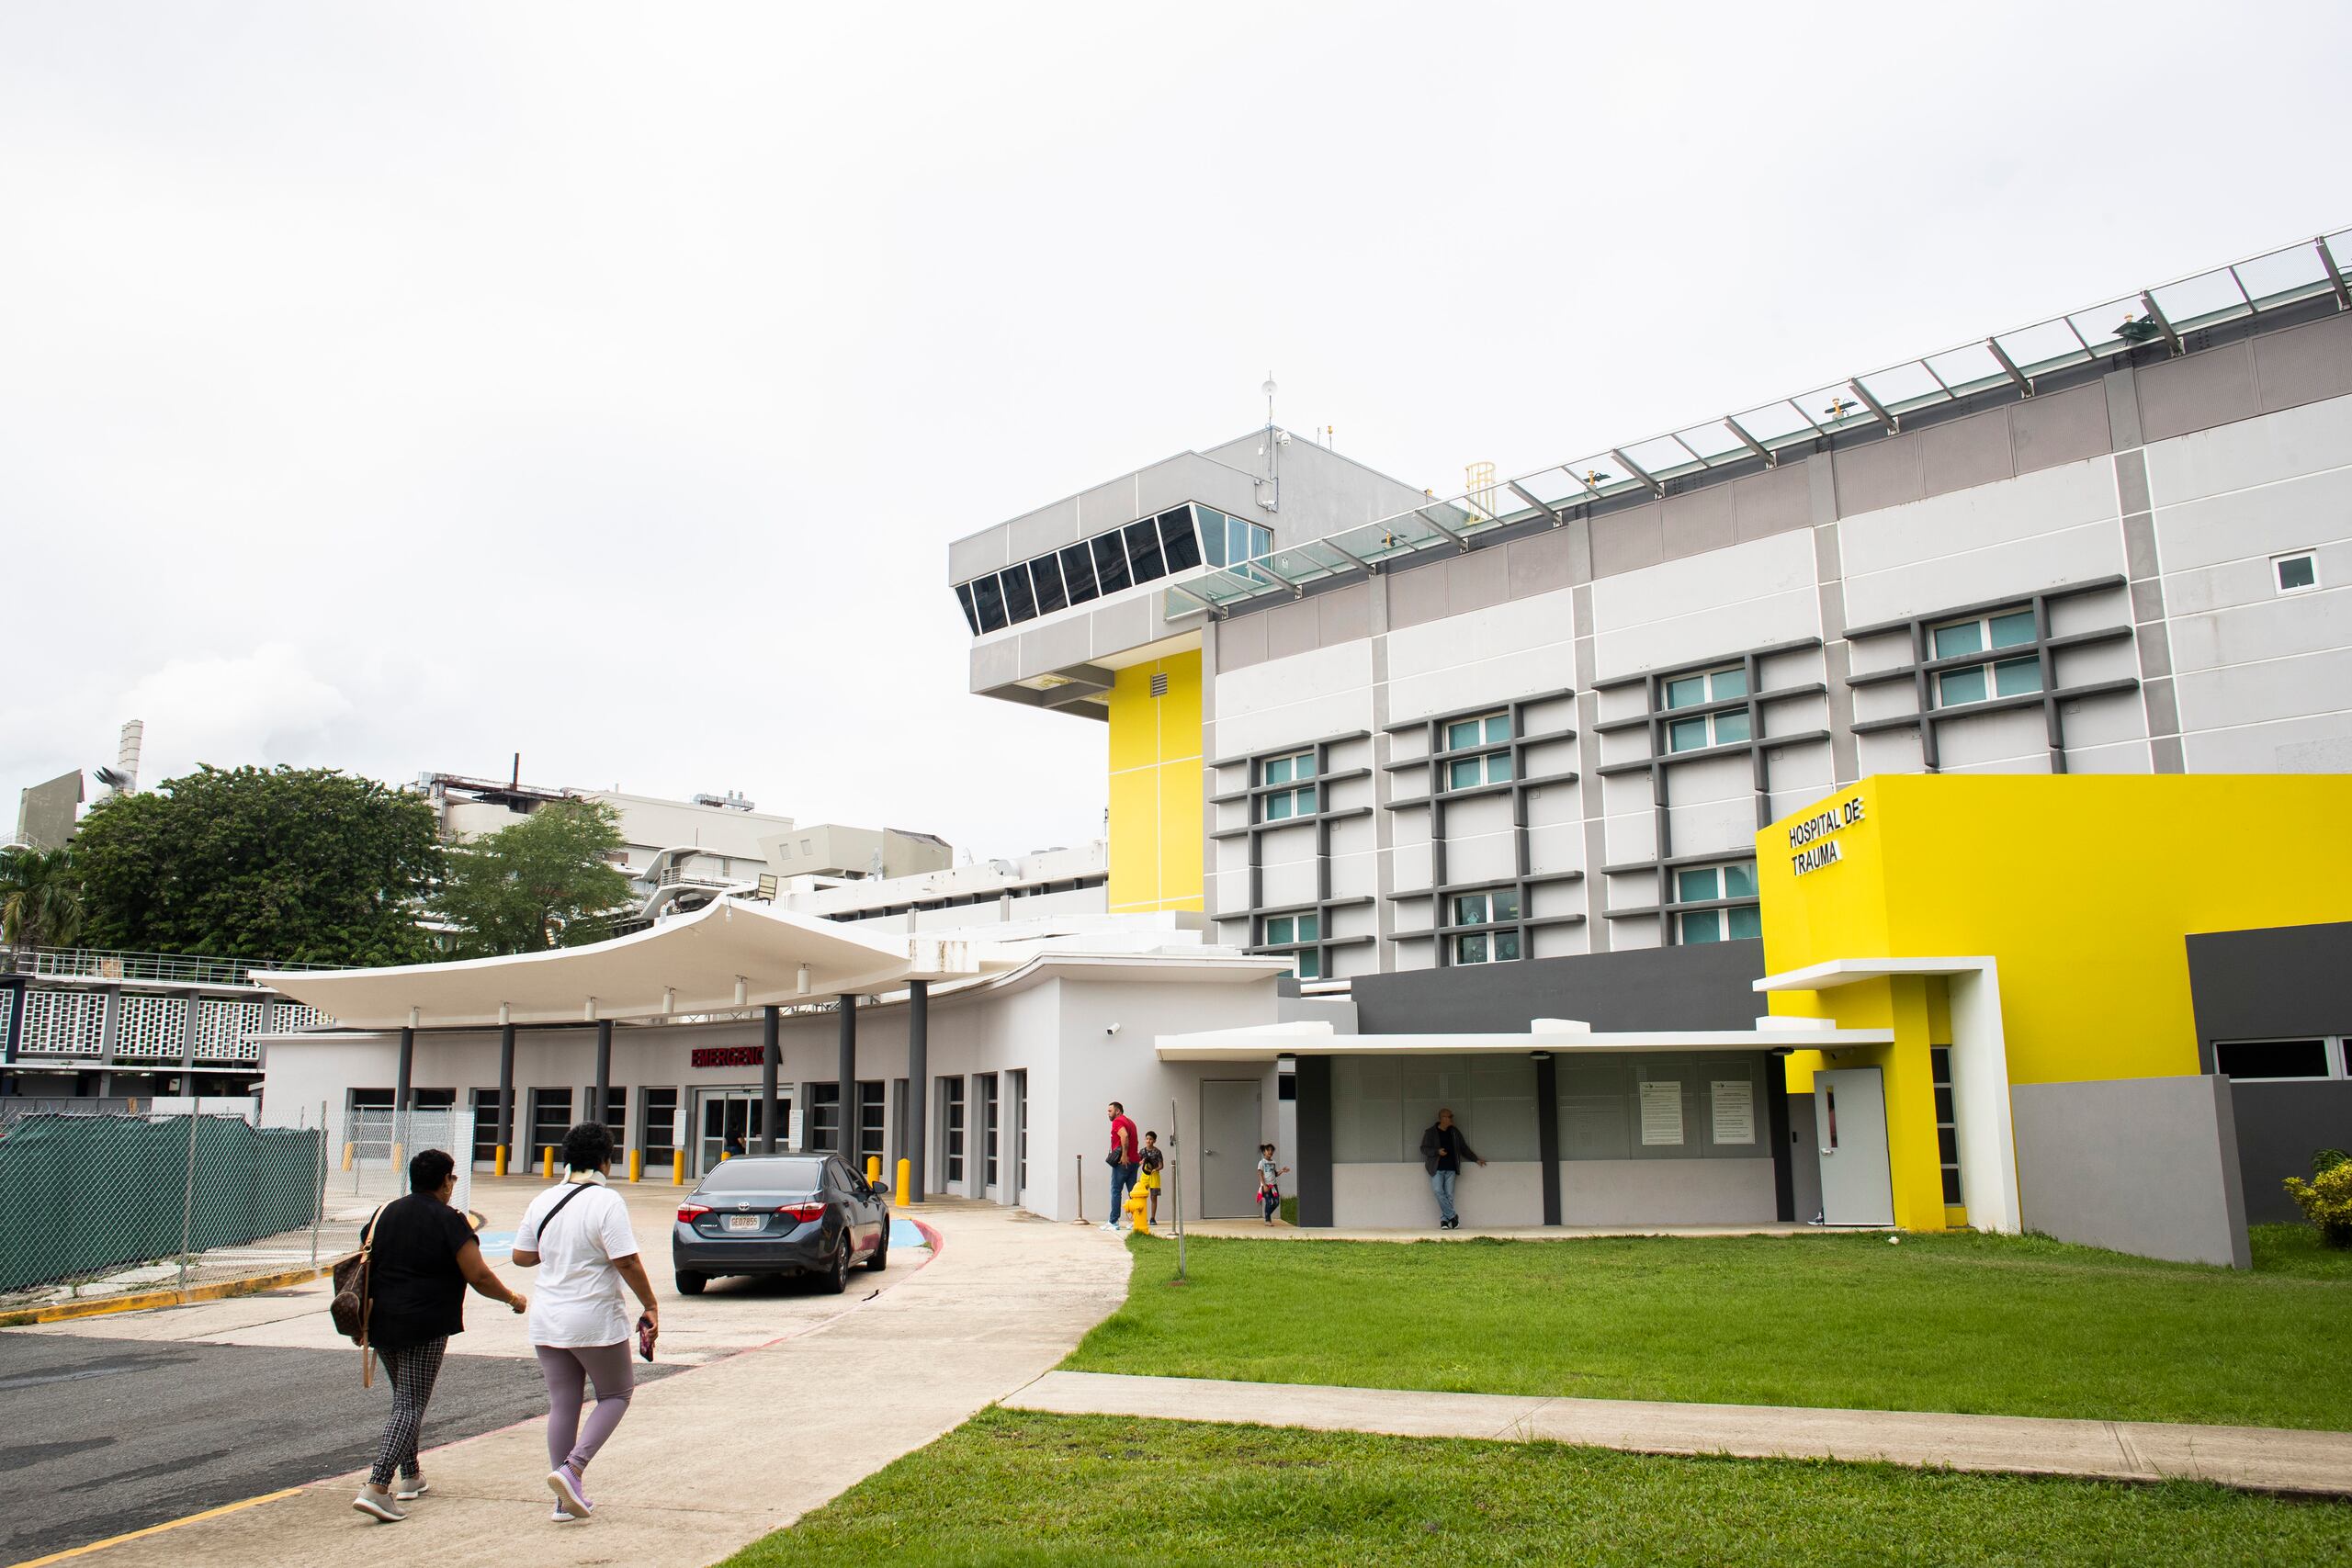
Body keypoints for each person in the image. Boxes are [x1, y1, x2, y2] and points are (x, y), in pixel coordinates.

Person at [352, 1148, 528, 1525]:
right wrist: (513, 1298)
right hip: (425, 1323)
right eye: (452, 1179)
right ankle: (377, 1486)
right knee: (411, 1403)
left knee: (403, 1397)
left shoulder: (384, 1214)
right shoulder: (450, 1220)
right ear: (445, 1181)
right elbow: (478, 1276)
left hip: (380, 1321)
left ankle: (411, 1475)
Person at [513, 1122, 662, 1524]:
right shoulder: (606, 1201)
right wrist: (650, 1304)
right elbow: (625, 1259)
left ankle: (565, 1501)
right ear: (604, 1160)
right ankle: (572, 1470)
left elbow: (521, 1256)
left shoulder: (543, 1199)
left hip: (548, 1317)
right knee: (616, 1395)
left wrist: (561, 1248)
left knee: (564, 1403)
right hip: (592, 1317)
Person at [1419, 1107, 1486, 1231]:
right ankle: (1453, 1216)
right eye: (1450, 1116)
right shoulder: (1430, 1132)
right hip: (1436, 1169)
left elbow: (1463, 1148)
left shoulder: (1454, 1132)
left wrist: (1476, 1159)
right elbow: (1423, 1148)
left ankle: (1445, 1221)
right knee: (1438, 1191)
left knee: (1449, 1195)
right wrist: (1437, 1151)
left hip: (1451, 1168)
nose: (1452, 1119)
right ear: (1443, 1118)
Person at [1102, 1100, 1140, 1232]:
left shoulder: (1118, 1121)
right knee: (1134, 1193)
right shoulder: (1131, 1123)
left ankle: (1113, 1222)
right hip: (1134, 1162)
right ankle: (1138, 1221)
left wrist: (1124, 1155)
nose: (1108, 1113)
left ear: (1118, 1111)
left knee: (1115, 1190)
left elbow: (1124, 1136)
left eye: (1110, 1111)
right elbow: (1136, 1140)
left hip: (1123, 1163)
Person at [1256, 1143, 1290, 1224]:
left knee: (1276, 1202)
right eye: (1268, 1150)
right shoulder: (1261, 1162)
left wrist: (1282, 1171)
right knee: (1268, 1202)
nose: (1270, 1152)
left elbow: (1275, 1174)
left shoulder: (1274, 1162)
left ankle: (1267, 1214)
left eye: (1272, 1150)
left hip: (1274, 1186)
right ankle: (1268, 1220)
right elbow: (1260, 1175)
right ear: (1264, 1152)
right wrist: (1264, 1185)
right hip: (1266, 1185)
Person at [1136, 1131, 1166, 1226]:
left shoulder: (1157, 1152)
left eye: (1151, 1139)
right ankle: (1142, 1217)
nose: (1148, 1141)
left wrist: (1156, 1169)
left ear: (1154, 1141)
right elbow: (1137, 1163)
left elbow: (1161, 1166)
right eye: (1147, 1139)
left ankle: (1152, 1218)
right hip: (1144, 1176)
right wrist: (1141, 1162)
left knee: (1154, 1197)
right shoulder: (1142, 1151)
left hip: (1154, 1176)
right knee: (1141, 1196)